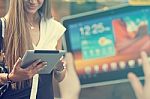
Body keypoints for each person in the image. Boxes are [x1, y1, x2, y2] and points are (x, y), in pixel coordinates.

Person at [0, 0, 66, 99]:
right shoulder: (3, 27)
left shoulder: (54, 28)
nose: (33, 1)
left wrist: (59, 68)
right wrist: (11, 77)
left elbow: (59, 78)